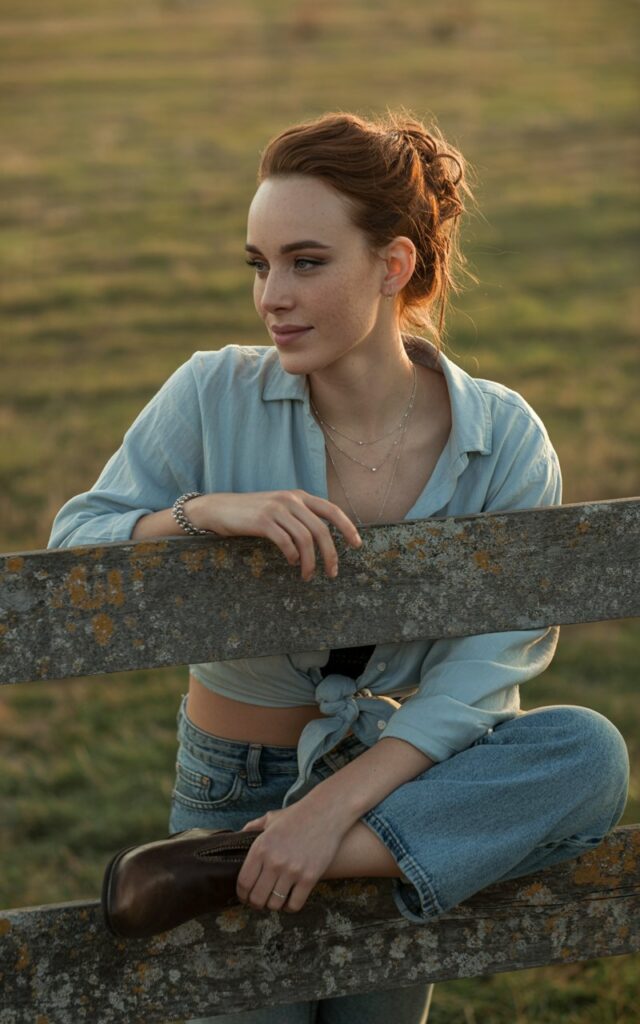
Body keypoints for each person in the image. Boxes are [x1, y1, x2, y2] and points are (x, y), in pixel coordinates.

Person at [48, 110, 630, 1024]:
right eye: (260, 264)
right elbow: (75, 546)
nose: (271, 297)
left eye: (306, 262)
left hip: (394, 797)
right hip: (234, 784)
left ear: (393, 265)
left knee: (588, 755)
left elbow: (486, 671)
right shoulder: (211, 392)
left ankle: (241, 865)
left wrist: (329, 820)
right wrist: (206, 512)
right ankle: (252, 848)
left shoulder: (504, 438)